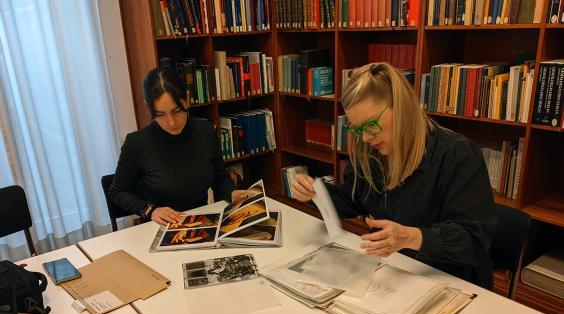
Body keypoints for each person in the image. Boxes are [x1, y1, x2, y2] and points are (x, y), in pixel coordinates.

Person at [291, 63, 497, 289]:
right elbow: (355, 198)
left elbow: (473, 239)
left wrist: (412, 237)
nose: (366, 137)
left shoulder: (457, 154)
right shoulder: (371, 151)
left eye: (371, 124)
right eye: (358, 129)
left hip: (448, 280)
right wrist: (315, 193)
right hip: (394, 273)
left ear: (401, 108)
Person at [109, 67, 243, 225]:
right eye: (160, 115)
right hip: (159, 226)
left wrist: (232, 193)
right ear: (149, 108)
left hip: (201, 222)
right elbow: (117, 192)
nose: (171, 123)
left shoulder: (205, 130)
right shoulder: (136, 143)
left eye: (177, 111)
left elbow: (220, 177)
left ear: (186, 99)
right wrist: (150, 210)